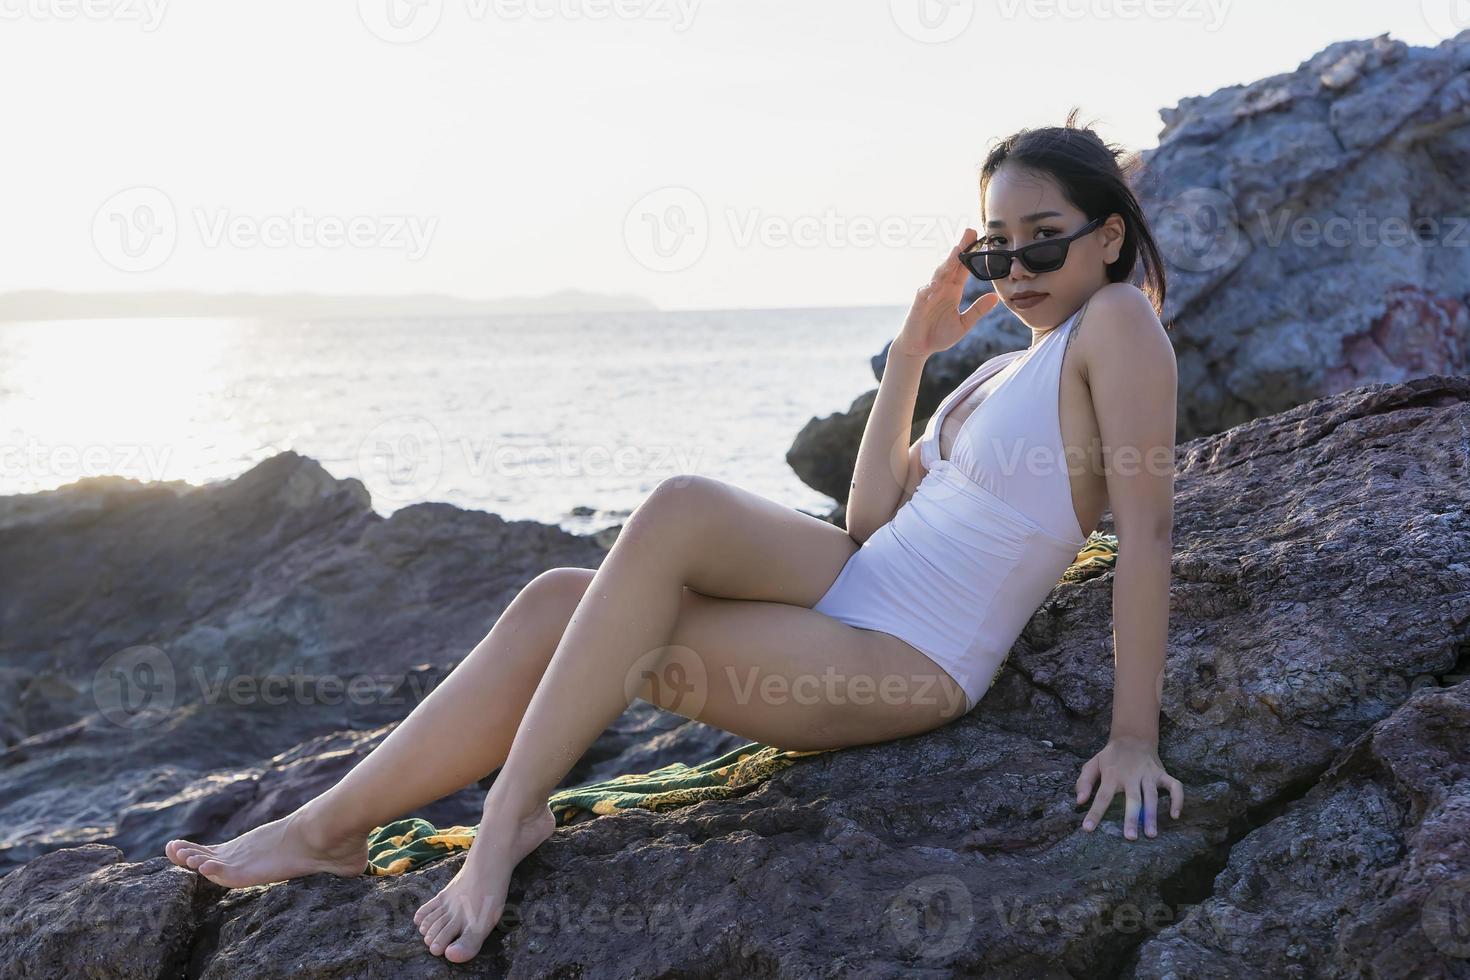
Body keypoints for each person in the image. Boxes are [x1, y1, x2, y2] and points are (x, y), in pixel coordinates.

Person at [162, 110, 1181, 964]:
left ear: (1107, 235)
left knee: (645, 555)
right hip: (866, 577)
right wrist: (913, 352)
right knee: (568, 590)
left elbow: (1145, 535)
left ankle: (506, 816)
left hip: (913, 653)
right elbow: (870, 518)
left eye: (1041, 236)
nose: (1015, 265)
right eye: (995, 246)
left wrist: (1132, 735)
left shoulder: (1118, 328)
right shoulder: (1010, 367)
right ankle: (331, 825)